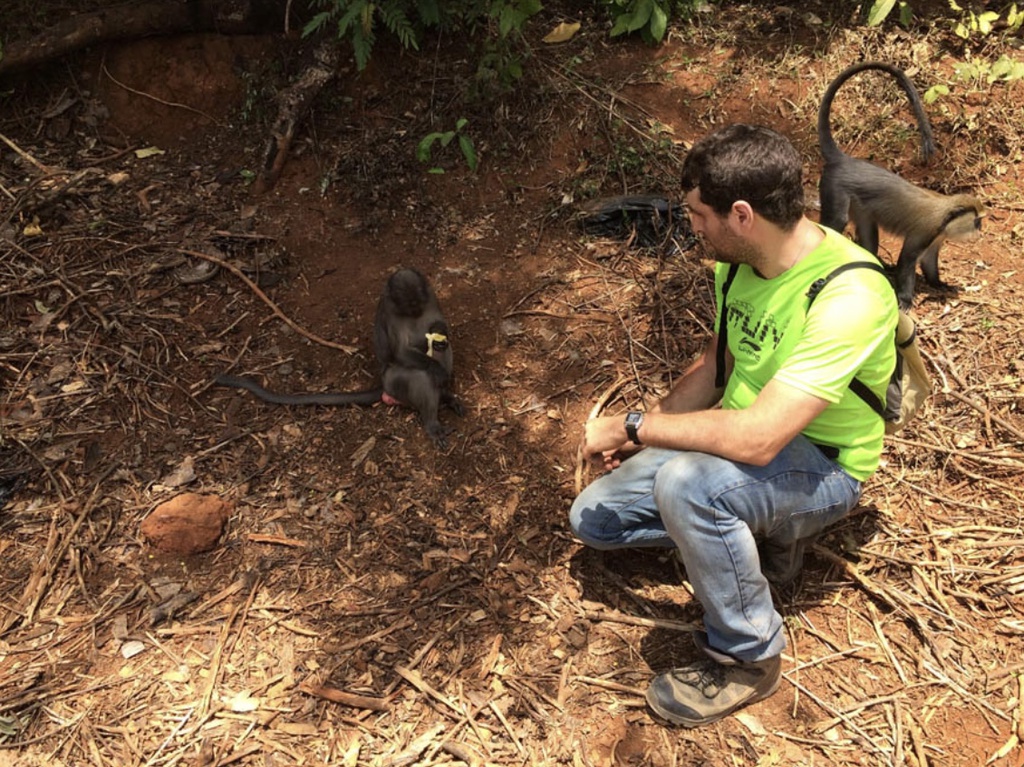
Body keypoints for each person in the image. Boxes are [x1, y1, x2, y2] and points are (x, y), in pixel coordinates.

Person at [569, 124, 898, 728]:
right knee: (594, 521)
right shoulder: (739, 265)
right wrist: (658, 425)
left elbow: (760, 437)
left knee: (688, 486)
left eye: (698, 215)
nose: (692, 228)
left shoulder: (848, 294)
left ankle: (747, 655)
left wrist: (638, 427)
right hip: (736, 446)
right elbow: (715, 367)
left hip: (820, 464)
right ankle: (755, 538)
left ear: (741, 214)